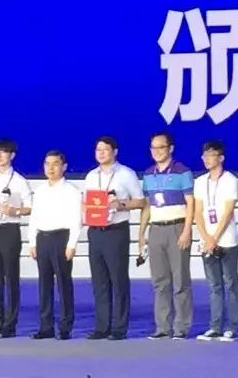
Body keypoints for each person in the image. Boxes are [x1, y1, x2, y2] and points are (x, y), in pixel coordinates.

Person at [82, 136, 144, 340]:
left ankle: (119, 327)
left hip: (116, 230)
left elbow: (140, 202)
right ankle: (102, 326)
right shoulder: (91, 176)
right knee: (99, 280)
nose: (101, 153)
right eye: (98, 149)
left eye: (105, 149)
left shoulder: (126, 174)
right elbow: (86, 201)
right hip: (95, 230)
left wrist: (120, 204)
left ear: (115, 152)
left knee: (118, 279)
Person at [138, 130, 195, 340]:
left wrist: (187, 230)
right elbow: (147, 206)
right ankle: (163, 327)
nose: (157, 151)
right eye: (153, 148)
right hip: (156, 229)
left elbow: (191, 203)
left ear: (170, 148)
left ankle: (181, 327)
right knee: (159, 281)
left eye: (161, 147)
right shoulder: (148, 174)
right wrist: (141, 233)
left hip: (177, 228)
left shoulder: (182, 172)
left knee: (180, 280)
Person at [0, 138, 32, 338]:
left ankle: (10, 324)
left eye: (3, 152)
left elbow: (29, 207)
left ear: (12, 155)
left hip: (10, 229)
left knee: (11, 277)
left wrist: (14, 210)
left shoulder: (19, 180)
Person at [27, 150, 81, 340]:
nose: (51, 168)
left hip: (61, 238)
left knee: (63, 284)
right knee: (44, 284)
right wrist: (32, 241)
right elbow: (34, 217)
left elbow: (76, 219)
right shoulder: (40, 190)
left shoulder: (71, 190)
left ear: (64, 167)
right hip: (43, 238)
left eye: (55, 164)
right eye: (47, 164)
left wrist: (72, 243)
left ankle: (65, 326)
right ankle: (46, 326)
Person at [193, 140, 238, 341]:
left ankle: (231, 327)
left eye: (211, 155)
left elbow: (228, 212)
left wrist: (215, 238)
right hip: (207, 241)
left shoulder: (230, 180)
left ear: (221, 158)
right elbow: (198, 212)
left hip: (226, 239)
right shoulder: (200, 182)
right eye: (204, 155)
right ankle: (215, 326)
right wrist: (206, 238)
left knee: (230, 283)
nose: (206, 159)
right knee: (214, 285)